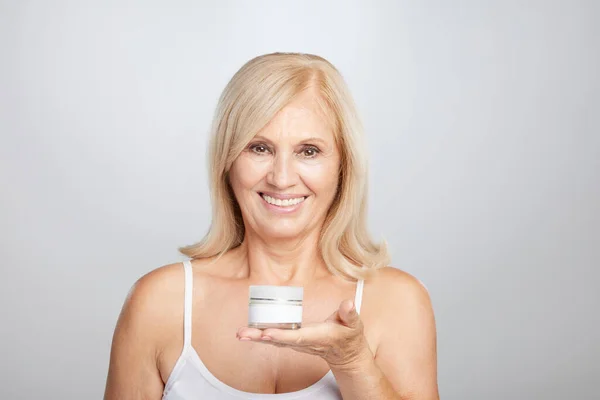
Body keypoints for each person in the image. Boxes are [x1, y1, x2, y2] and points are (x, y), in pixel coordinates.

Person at [104, 52, 439, 400]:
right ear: (227, 161)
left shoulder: (397, 302)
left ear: (343, 166)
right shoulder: (160, 302)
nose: (281, 178)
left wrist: (354, 363)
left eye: (308, 151)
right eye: (259, 147)